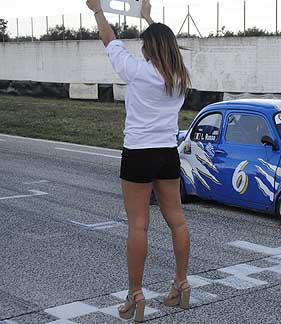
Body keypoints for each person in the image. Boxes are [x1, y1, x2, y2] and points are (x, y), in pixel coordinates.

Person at [85, 0, 192, 321]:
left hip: (138, 154)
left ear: (148, 50)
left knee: (138, 224)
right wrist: (147, 18)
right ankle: (182, 284)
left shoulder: (137, 71)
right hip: (167, 154)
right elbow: (162, 42)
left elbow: (110, 40)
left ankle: (135, 295)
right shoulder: (180, 76)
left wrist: (97, 11)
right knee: (178, 220)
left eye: (145, 46)